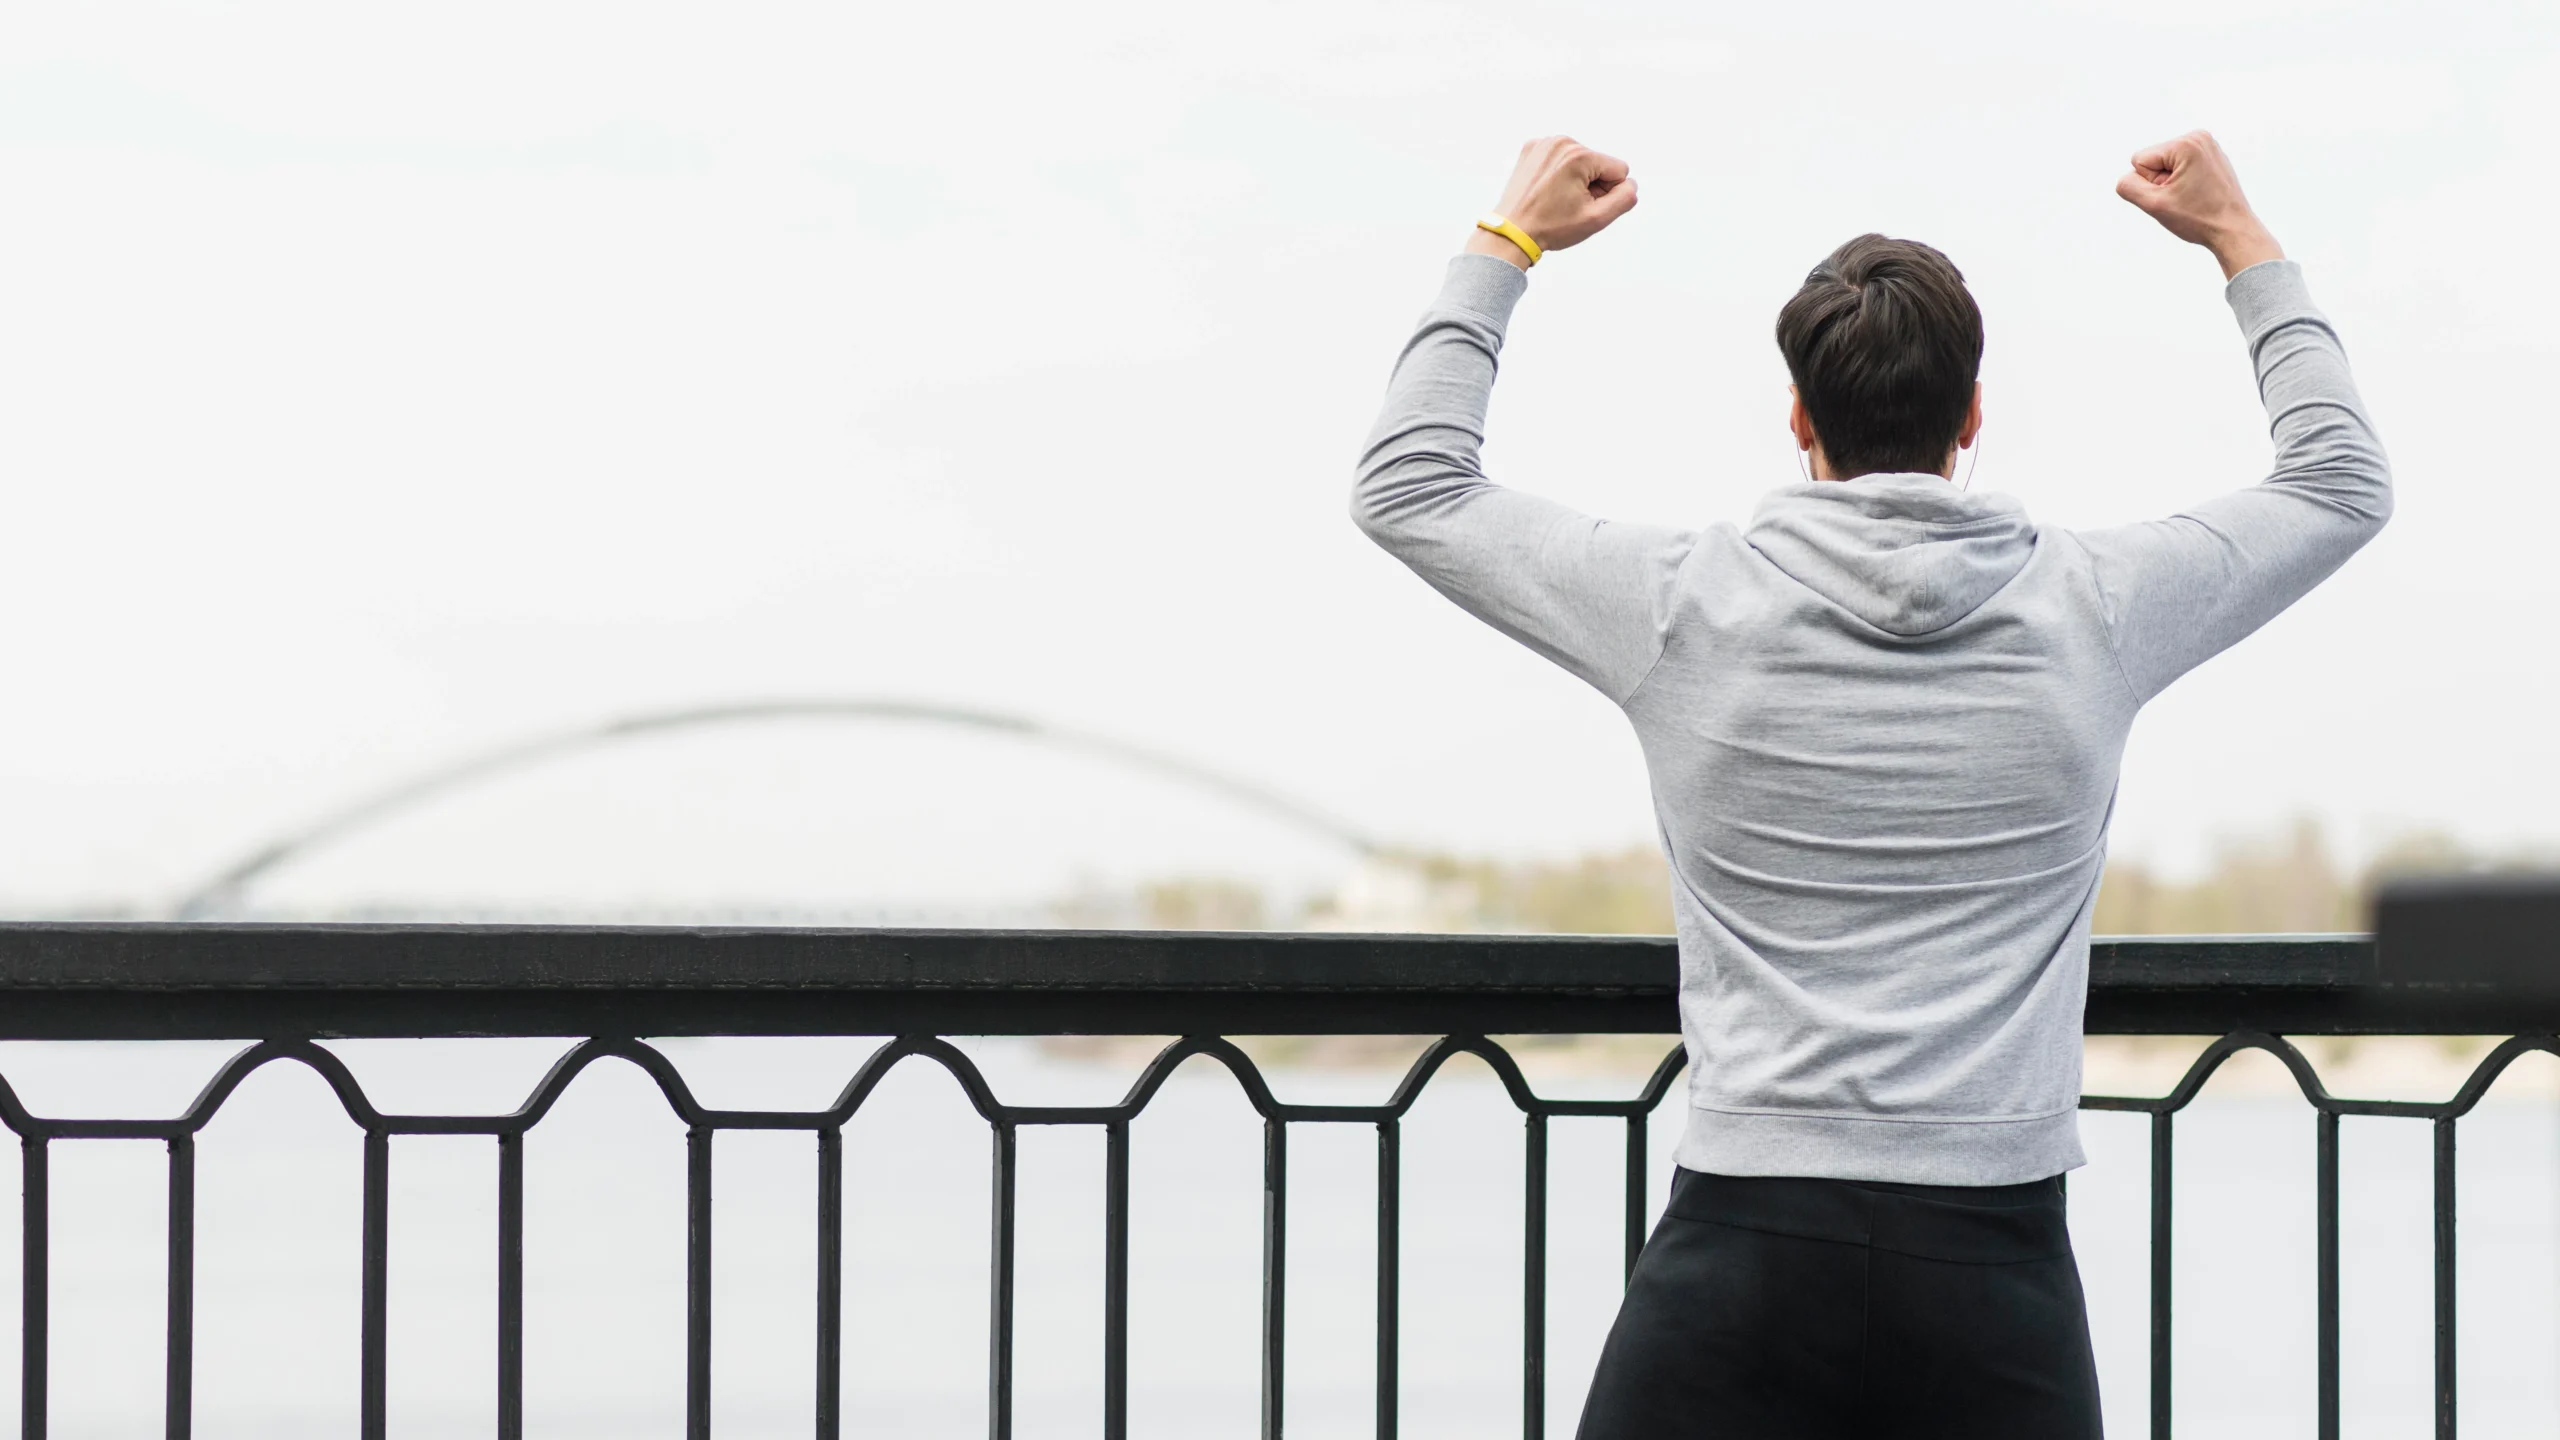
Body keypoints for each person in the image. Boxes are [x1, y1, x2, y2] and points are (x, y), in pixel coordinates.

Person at [1350, 132, 2389, 1437]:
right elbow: (2338, 482)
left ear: (1799, 418)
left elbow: (1410, 485)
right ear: (1971, 418)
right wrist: (2240, 239)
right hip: (1992, 1268)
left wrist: (1505, 246)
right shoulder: (2099, 607)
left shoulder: (1681, 605)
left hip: (1740, 1259)